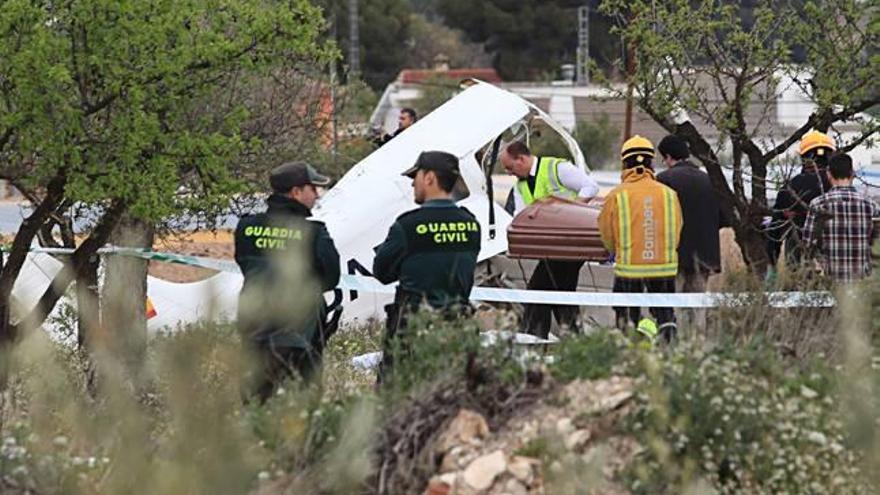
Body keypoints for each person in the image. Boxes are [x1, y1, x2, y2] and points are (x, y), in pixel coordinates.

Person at [234, 161, 340, 402]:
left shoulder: (246, 227)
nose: (316, 195)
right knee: (302, 404)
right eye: (313, 189)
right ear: (296, 192)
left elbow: (245, 264)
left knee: (255, 403)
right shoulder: (313, 233)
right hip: (299, 334)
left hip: (254, 332)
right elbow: (331, 277)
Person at [373, 151, 481, 383]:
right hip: (457, 328)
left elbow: (381, 272)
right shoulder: (471, 225)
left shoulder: (408, 226)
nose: (413, 183)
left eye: (417, 176)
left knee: (396, 400)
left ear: (430, 178)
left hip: (412, 332)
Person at [500, 141, 600, 338]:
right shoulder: (521, 186)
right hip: (550, 247)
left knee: (540, 288)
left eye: (510, 167)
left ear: (521, 158)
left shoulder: (557, 168)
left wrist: (569, 209)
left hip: (570, 244)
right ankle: (571, 337)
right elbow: (520, 215)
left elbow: (590, 187)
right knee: (559, 291)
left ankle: (533, 336)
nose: (508, 172)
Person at [599, 135, 682, 343]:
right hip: (664, 268)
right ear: (650, 162)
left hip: (629, 269)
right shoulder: (669, 194)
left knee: (626, 317)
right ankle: (669, 351)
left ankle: (629, 354)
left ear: (625, 163)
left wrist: (617, 251)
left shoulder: (616, 195)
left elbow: (607, 234)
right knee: (664, 314)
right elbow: (677, 229)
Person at [655, 135, 727, 330]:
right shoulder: (710, 181)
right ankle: (697, 345)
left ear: (668, 156)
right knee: (697, 308)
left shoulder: (662, 181)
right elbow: (725, 218)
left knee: (674, 306)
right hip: (705, 256)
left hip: (673, 255)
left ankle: (674, 345)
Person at [803, 153, 879, 283]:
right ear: (852, 174)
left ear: (828, 174)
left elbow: (807, 243)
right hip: (862, 283)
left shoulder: (818, 204)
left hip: (829, 280)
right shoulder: (871, 206)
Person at [767, 130, 835, 270]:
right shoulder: (838, 186)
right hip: (834, 255)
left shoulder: (791, 187)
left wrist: (772, 261)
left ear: (804, 158)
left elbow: (776, 227)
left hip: (798, 257)